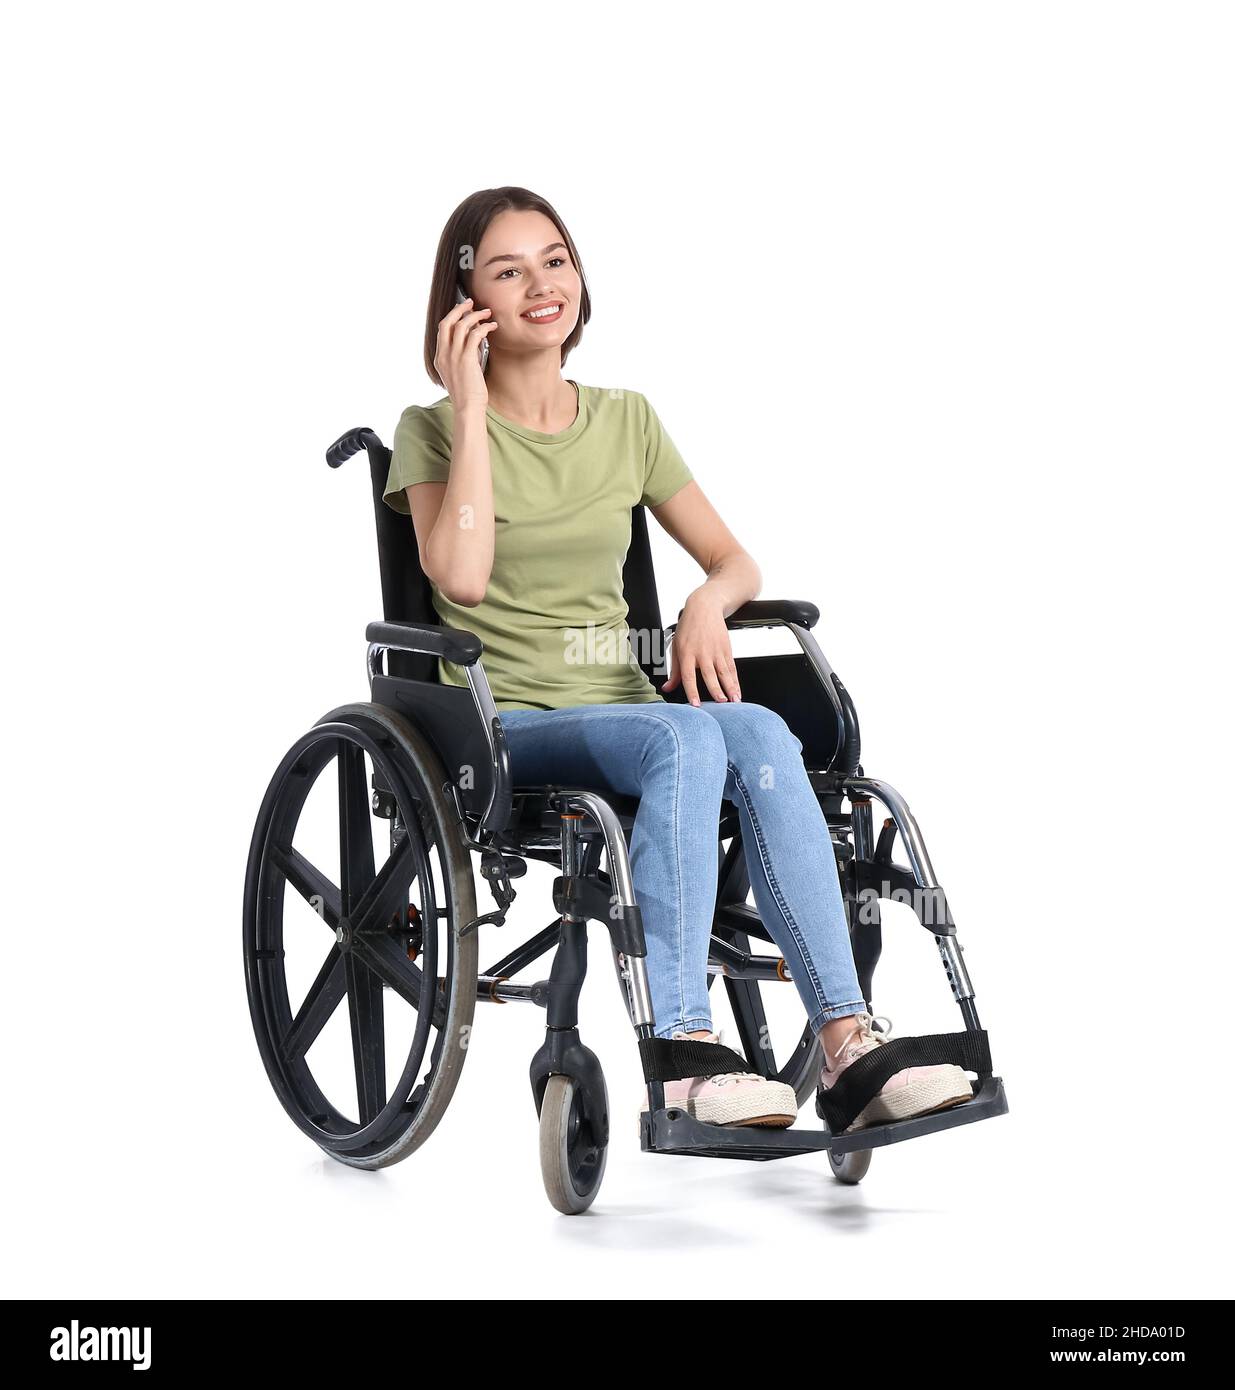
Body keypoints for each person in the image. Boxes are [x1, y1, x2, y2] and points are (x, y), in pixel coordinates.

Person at [382, 186, 972, 1132]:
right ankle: (683, 1048)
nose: (542, 285)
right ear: (468, 303)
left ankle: (847, 1043)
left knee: (759, 728)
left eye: (556, 260)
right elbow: (459, 579)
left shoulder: (626, 419)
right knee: (684, 739)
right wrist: (471, 407)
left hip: (627, 711)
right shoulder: (433, 429)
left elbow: (736, 560)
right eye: (508, 270)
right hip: (502, 729)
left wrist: (706, 601)